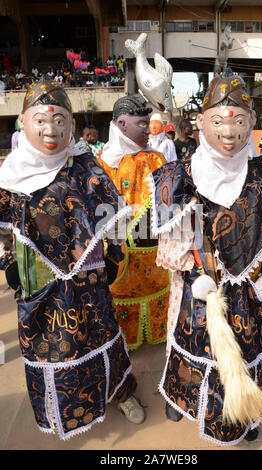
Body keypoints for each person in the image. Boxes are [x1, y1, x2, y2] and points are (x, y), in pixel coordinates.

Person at [148, 74, 262, 446]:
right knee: (198, 349)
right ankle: (187, 401)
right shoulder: (176, 177)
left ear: (251, 125)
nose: (229, 133)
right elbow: (175, 241)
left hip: (251, 292)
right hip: (202, 291)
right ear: (200, 123)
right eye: (218, 121)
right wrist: (195, 271)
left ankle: (248, 411)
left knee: (250, 349)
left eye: (239, 121)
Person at [0, 81, 145, 440]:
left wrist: (114, 255)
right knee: (55, 346)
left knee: (102, 334)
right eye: (42, 121)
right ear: (22, 122)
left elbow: (112, 216)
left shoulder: (85, 166)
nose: (52, 131)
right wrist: (7, 264)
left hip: (90, 274)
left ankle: (119, 392)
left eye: (61, 121)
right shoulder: (9, 176)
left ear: (72, 126)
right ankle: (62, 408)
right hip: (39, 281)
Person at [97, 94, 171, 350]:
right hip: (122, 252)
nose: (147, 129)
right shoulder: (106, 163)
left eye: (147, 122)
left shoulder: (157, 158)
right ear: (120, 124)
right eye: (141, 123)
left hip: (155, 253)